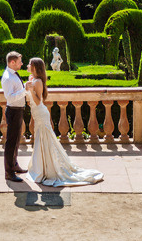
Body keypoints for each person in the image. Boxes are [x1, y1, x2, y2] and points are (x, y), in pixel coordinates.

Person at [25, 57, 104, 186]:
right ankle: (41, 167)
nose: (27, 66)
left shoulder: (38, 81)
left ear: (35, 67)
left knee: (45, 140)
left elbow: (39, 101)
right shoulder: (33, 79)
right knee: (41, 140)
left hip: (40, 113)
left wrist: (30, 89)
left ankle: (45, 169)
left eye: (30, 64)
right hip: (37, 114)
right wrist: (29, 86)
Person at [1, 51, 28, 182]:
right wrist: (25, 90)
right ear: (12, 63)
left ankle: (14, 165)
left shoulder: (13, 74)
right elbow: (10, 98)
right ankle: (9, 172)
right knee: (11, 143)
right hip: (13, 110)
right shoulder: (7, 78)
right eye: (19, 62)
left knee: (16, 140)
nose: (21, 64)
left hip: (18, 110)